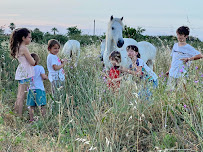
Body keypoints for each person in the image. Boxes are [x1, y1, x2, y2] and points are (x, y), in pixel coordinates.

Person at [166, 26, 203, 91]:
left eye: (181, 35)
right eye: (177, 34)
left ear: (186, 36)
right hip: (172, 73)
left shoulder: (188, 47)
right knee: (170, 92)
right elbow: (173, 60)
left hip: (181, 74)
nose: (179, 37)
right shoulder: (175, 46)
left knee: (181, 92)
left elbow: (200, 55)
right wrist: (169, 70)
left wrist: (189, 59)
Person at [10, 28, 35, 117]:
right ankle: (19, 115)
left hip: (22, 71)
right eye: (29, 37)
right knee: (21, 96)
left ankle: (17, 114)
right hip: (25, 73)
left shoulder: (18, 47)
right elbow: (32, 62)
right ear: (23, 38)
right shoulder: (24, 48)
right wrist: (33, 58)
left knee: (20, 95)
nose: (30, 39)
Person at [27, 53, 48, 122]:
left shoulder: (28, 69)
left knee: (31, 106)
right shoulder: (40, 67)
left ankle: (31, 119)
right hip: (39, 89)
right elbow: (43, 77)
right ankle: (43, 119)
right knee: (42, 105)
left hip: (31, 89)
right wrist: (48, 77)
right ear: (37, 60)